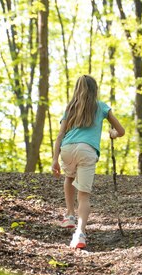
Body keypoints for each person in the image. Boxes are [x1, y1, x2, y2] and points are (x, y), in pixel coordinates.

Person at [52, 75, 125, 249]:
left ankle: (69, 215)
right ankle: (80, 234)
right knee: (83, 195)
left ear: (77, 89)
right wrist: (113, 134)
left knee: (69, 178)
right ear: (95, 90)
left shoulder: (70, 108)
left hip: (67, 148)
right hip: (87, 150)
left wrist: (55, 159)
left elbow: (60, 135)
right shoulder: (101, 107)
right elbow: (120, 131)